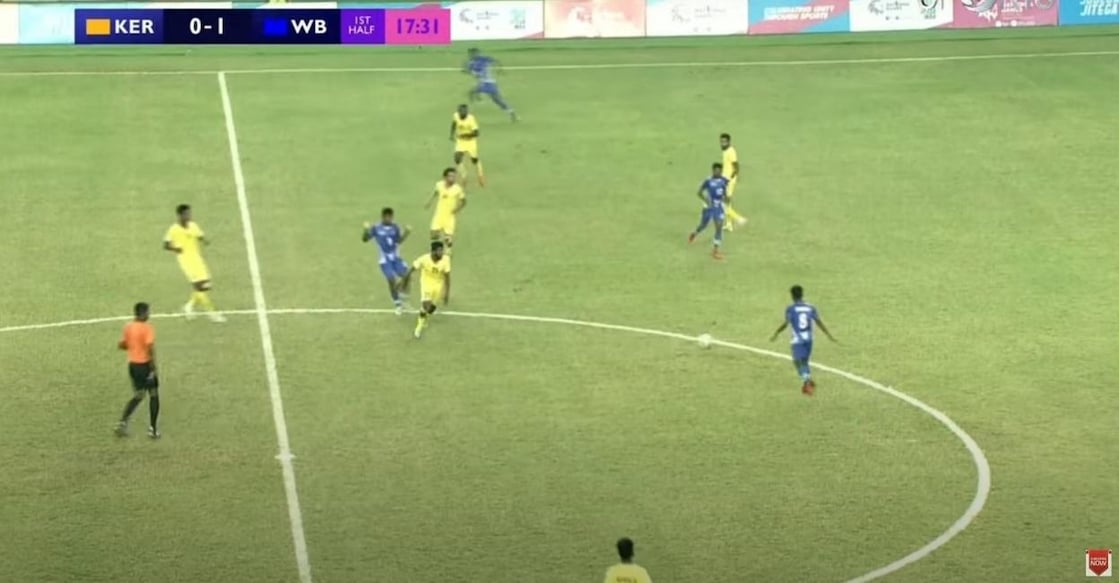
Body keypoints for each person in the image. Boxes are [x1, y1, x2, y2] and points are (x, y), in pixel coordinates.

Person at [769, 285, 836, 396]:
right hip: (809, 339)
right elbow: (819, 322)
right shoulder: (811, 307)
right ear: (802, 294)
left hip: (798, 340)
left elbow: (786, 323)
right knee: (804, 362)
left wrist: (777, 332)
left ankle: (807, 383)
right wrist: (828, 334)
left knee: (797, 362)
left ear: (792, 295)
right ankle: (808, 382)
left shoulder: (791, 308)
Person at [163, 204, 225, 322]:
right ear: (180, 215)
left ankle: (189, 306)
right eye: (187, 214)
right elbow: (165, 244)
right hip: (186, 262)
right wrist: (175, 249)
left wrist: (205, 240)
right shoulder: (174, 229)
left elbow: (199, 235)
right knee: (200, 287)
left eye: (190, 213)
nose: (189, 216)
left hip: (197, 259)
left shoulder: (193, 225)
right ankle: (212, 313)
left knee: (205, 286)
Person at [115, 302, 161, 439]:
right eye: (147, 312)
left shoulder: (128, 327)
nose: (149, 314)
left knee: (139, 395)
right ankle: (152, 429)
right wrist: (153, 369)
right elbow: (150, 348)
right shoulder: (147, 328)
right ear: (142, 313)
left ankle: (122, 423)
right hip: (145, 366)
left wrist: (130, 345)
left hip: (133, 367)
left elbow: (123, 345)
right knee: (153, 395)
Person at [362, 207, 412, 315]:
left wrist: (406, 233)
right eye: (387, 217)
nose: (389, 219)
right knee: (391, 279)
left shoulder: (395, 227)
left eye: (391, 217)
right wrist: (365, 230)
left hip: (395, 258)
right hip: (384, 260)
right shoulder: (376, 228)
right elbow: (365, 239)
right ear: (383, 217)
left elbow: (398, 241)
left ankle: (402, 296)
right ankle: (397, 303)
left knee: (407, 274)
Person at [399, 241, 451, 339]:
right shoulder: (424, 259)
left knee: (431, 310)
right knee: (426, 305)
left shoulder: (446, 260)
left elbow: (447, 277)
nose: (442, 253)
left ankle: (425, 315)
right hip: (426, 284)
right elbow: (411, 269)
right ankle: (419, 326)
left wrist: (446, 293)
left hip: (438, 286)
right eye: (439, 251)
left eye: (442, 250)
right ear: (433, 251)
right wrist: (403, 281)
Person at [688, 162, 730, 260]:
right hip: (709, 207)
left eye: (719, 171)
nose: (717, 173)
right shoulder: (708, 181)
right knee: (703, 225)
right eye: (716, 171)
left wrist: (727, 199)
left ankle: (715, 251)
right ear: (713, 171)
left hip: (718, 207)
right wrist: (706, 200)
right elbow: (699, 193)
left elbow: (724, 195)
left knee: (719, 226)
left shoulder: (723, 181)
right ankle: (694, 233)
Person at [464, 48, 517, 121]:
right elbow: (469, 71)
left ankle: (511, 113)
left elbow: (495, 61)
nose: (470, 55)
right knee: (473, 92)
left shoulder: (482, 60)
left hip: (488, 83)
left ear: (476, 53)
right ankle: (511, 112)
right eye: (470, 54)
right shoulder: (472, 62)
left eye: (472, 54)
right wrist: (468, 69)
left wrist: (500, 69)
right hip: (486, 83)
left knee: (496, 100)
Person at [425, 168, 467, 255]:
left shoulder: (457, 189)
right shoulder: (439, 185)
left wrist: (457, 209)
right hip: (439, 215)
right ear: (445, 177)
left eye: (454, 176)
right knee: (433, 235)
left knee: (448, 237)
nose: (453, 178)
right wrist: (429, 202)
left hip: (449, 217)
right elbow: (435, 193)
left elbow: (464, 201)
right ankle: (437, 248)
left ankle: (447, 252)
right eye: (450, 176)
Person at [719, 133, 748, 230]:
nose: (722, 144)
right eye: (721, 142)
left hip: (728, 181)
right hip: (724, 179)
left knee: (723, 203)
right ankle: (729, 224)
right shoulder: (725, 150)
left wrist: (730, 179)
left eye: (724, 142)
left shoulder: (731, 151)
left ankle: (739, 219)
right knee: (726, 203)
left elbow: (736, 167)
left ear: (729, 142)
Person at [451, 104, 485, 187]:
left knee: (474, 160)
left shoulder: (471, 119)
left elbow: (477, 133)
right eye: (461, 112)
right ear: (458, 112)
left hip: (470, 142)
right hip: (460, 142)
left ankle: (480, 174)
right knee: (457, 158)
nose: (462, 114)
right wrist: (451, 134)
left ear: (467, 112)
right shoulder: (455, 116)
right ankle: (464, 175)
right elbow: (454, 123)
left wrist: (465, 135)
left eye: (464, 112)